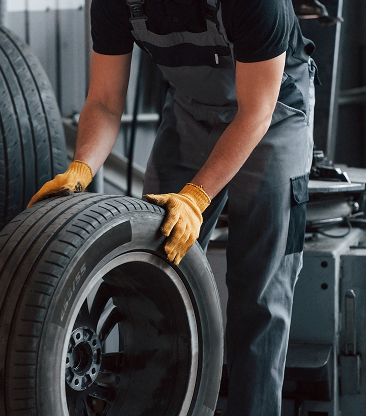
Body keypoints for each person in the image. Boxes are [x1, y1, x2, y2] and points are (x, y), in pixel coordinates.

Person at [28, 0, 317, 414]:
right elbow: (106, 101)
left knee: (260, 293)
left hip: (273, 117)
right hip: (189, 113)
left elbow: (257, 112)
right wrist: (81, 167)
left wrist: (196, 196)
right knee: (153, 268)